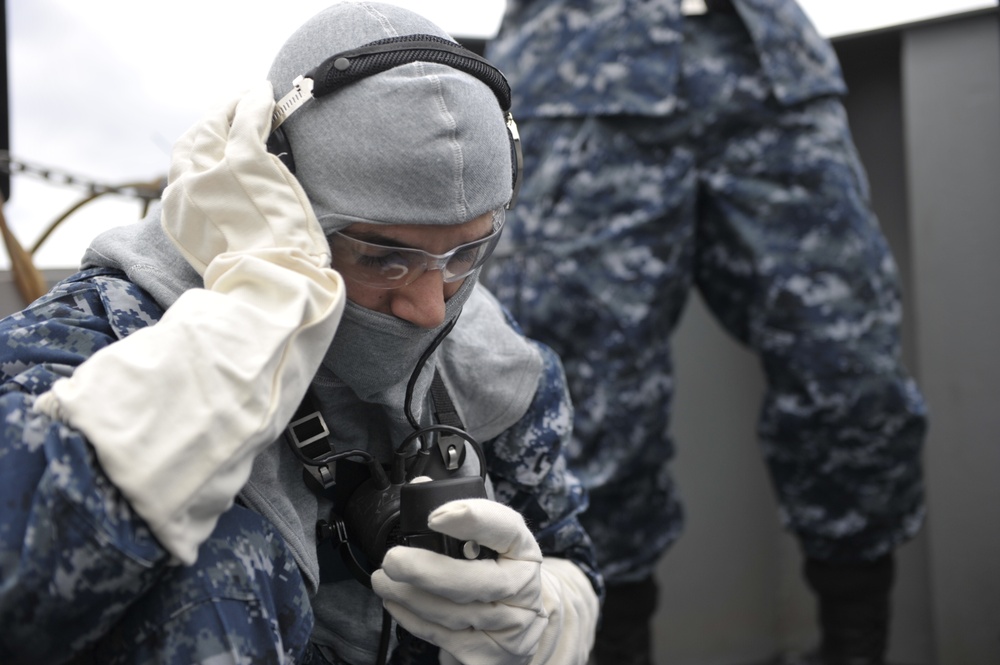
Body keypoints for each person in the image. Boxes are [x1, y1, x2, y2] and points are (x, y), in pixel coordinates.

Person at [0, 3, 602, 664]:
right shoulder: (115, 331)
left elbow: (567, 547)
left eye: (464, 256)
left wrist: (545, 613)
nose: (430, 307)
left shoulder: (490, 366)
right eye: (384, 257)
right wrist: (245, 331)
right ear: (288, 205)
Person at [481, 1, 928, 664]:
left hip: (768, 63)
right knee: (586, 417)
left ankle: (854, 646)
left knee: (854, 378)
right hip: (582, 71)